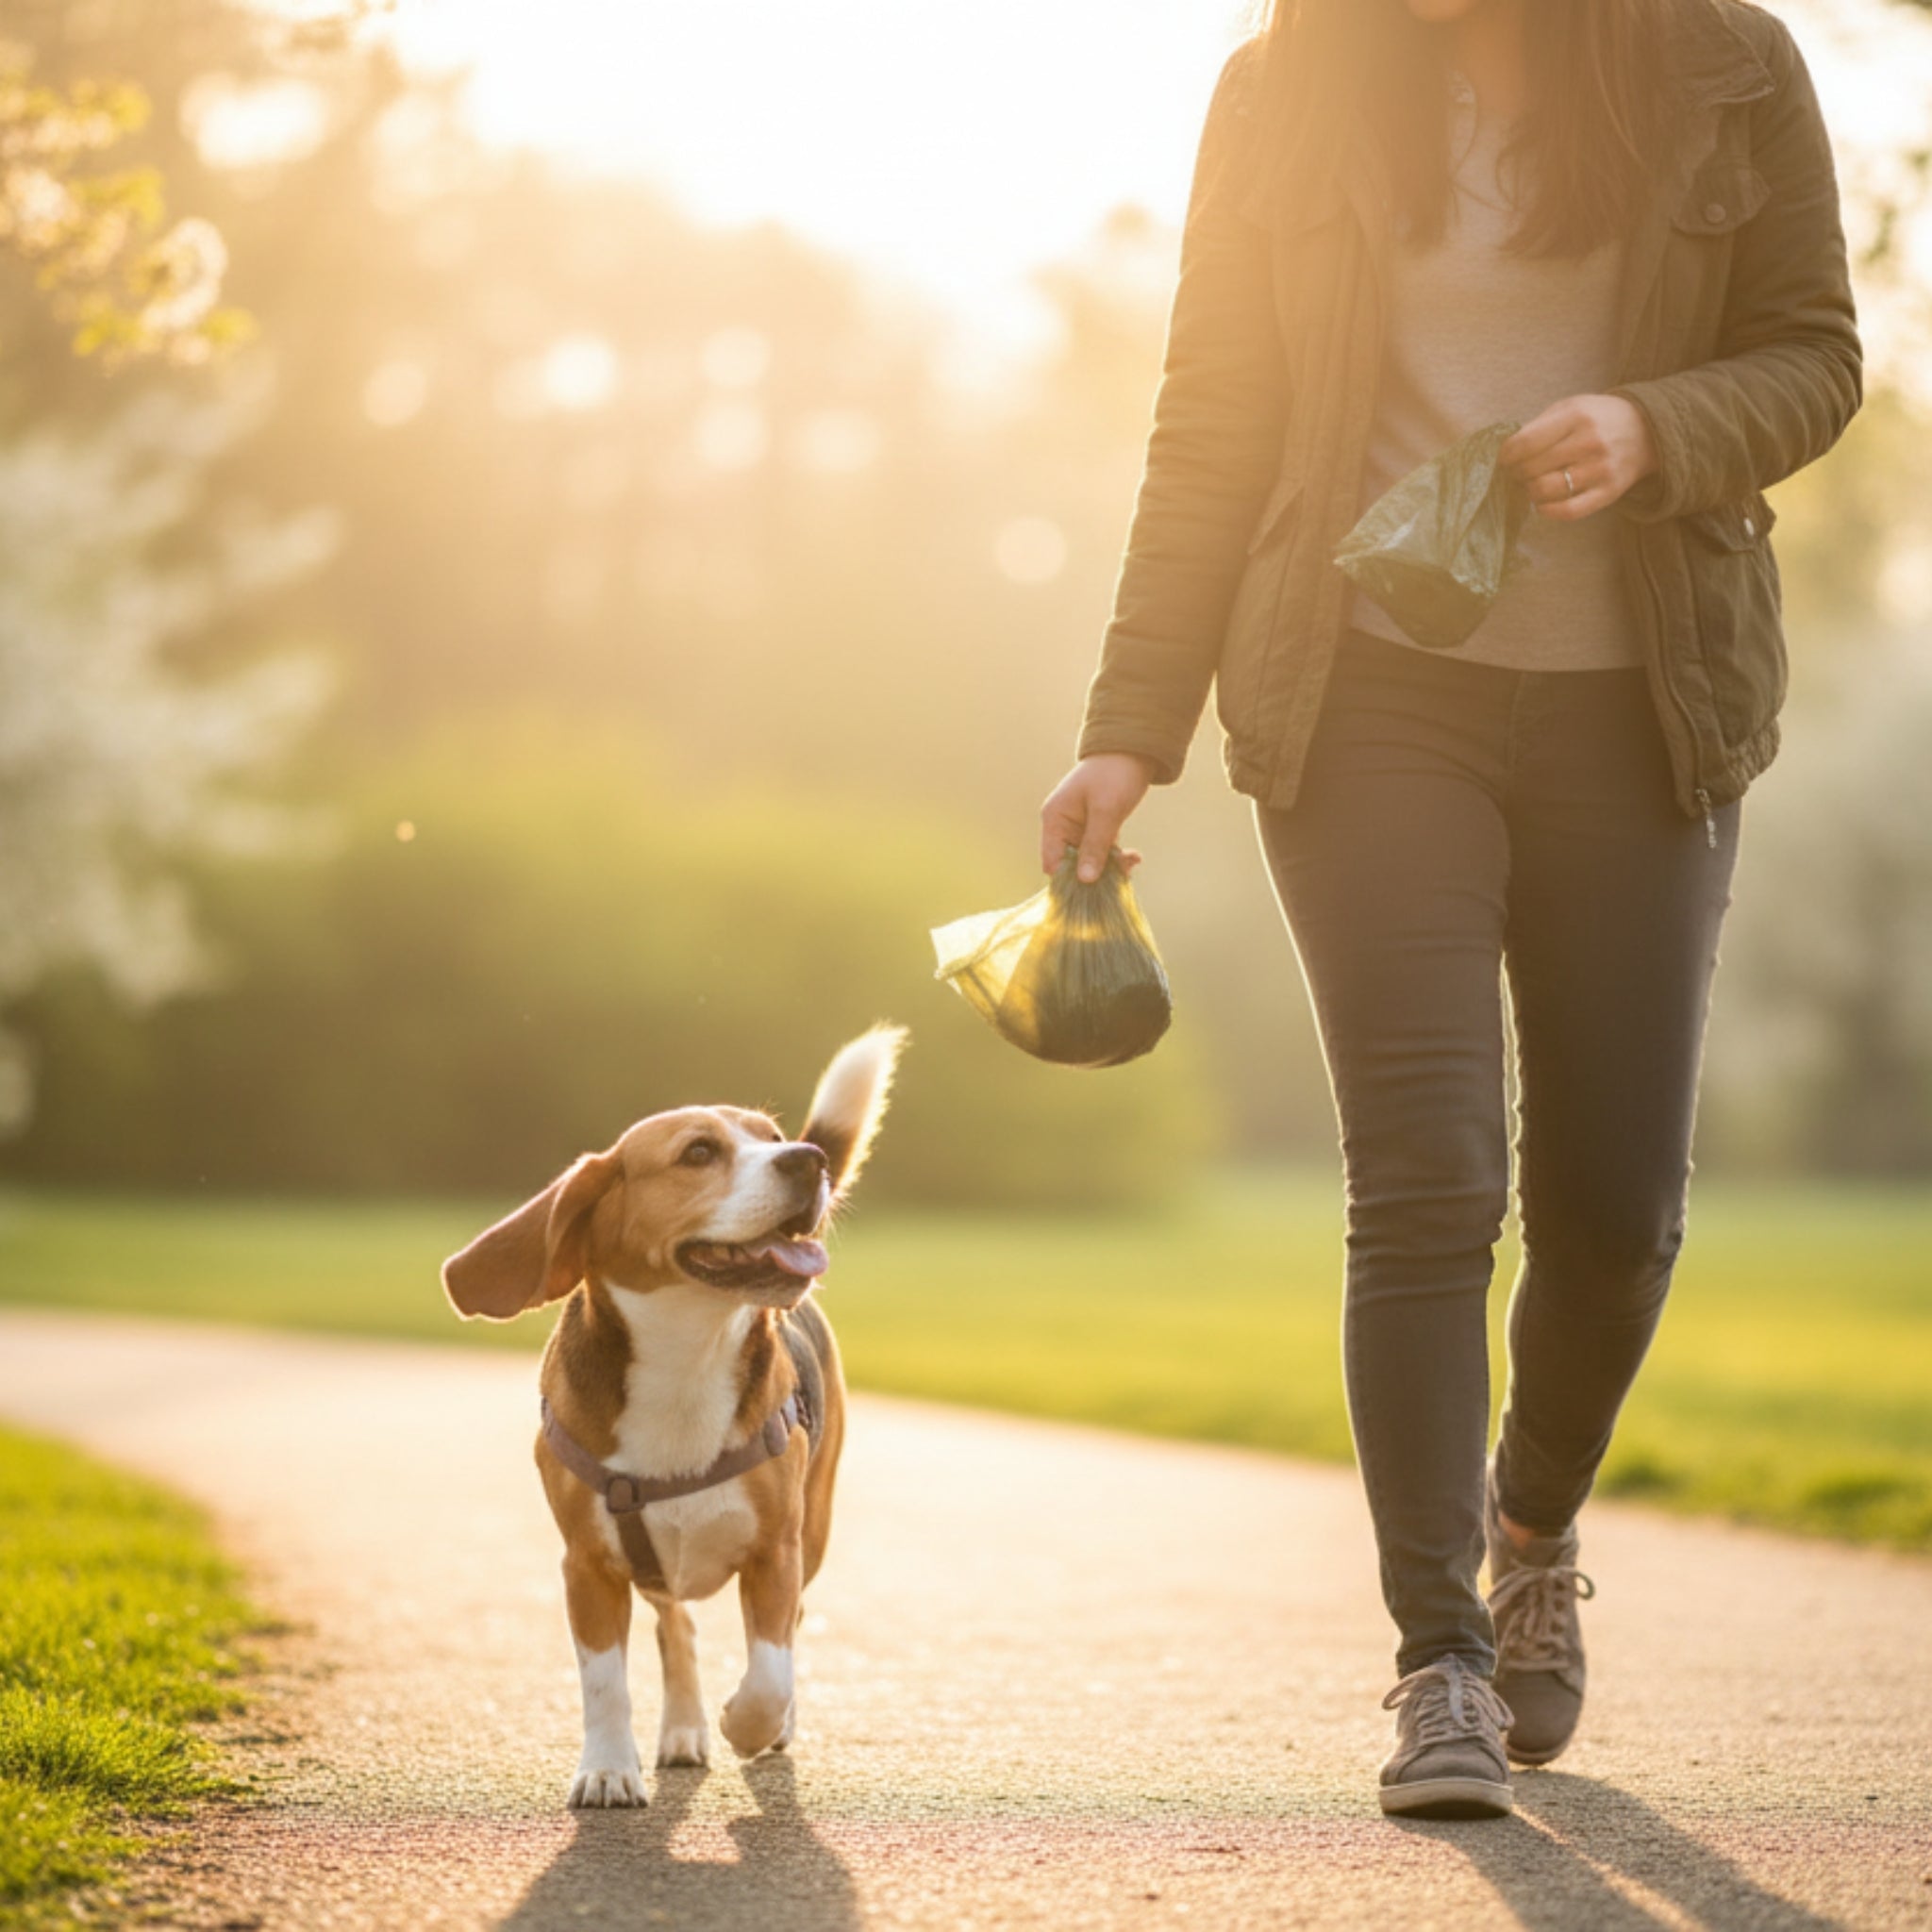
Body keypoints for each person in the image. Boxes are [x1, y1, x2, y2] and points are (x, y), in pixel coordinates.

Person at [1041, 0, 1859, 1820]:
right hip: (1366, 696)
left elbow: (1817, 355)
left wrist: (1658, 426)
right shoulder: (1282, 89)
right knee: (1425, 1180)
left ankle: (1531, 1523)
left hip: (1643, 700)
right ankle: (1442, 1668)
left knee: (1616, 1214)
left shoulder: (1726, 63)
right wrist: (1127, 732)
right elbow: (1216, 422)